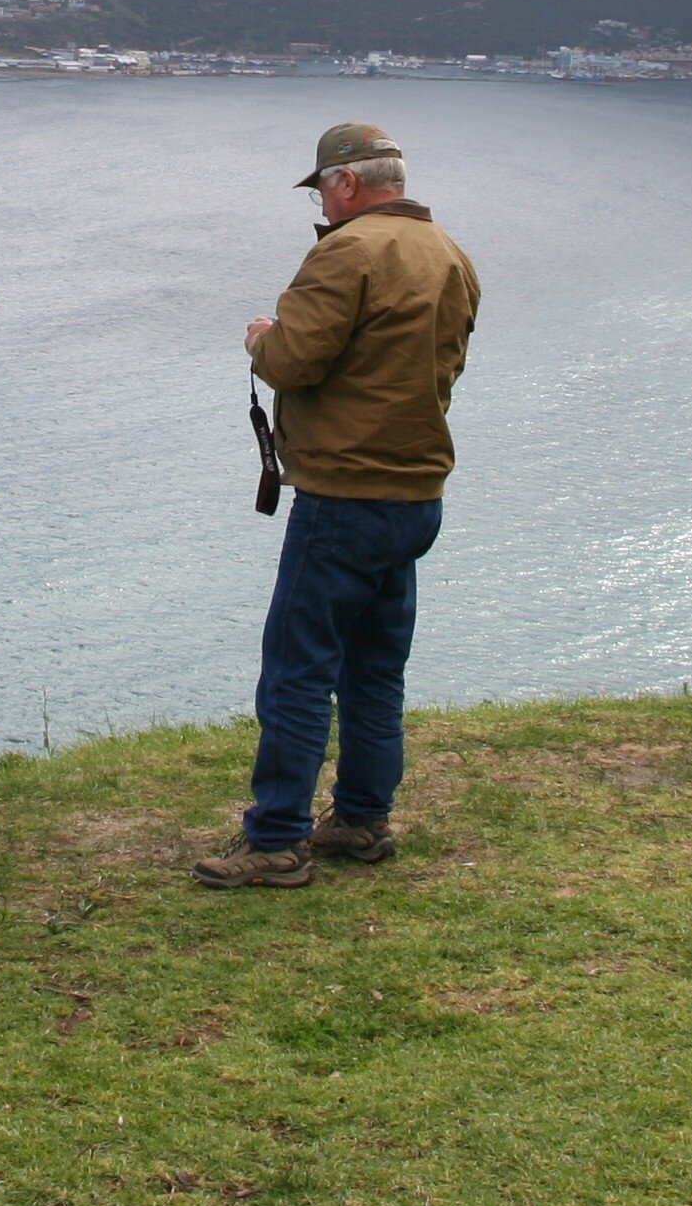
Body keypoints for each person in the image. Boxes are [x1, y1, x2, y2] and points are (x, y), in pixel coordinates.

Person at [195, 122, 482, 889]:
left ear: (348, 185)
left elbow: (297, 358)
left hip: (345, 494)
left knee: (297, 668)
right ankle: (361, 819)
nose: (322, 199)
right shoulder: (449, 255)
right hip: (415, 491)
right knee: (375, 666)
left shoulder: (347, 251)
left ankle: (277, 839)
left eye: (323, 186)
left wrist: (264, 338)